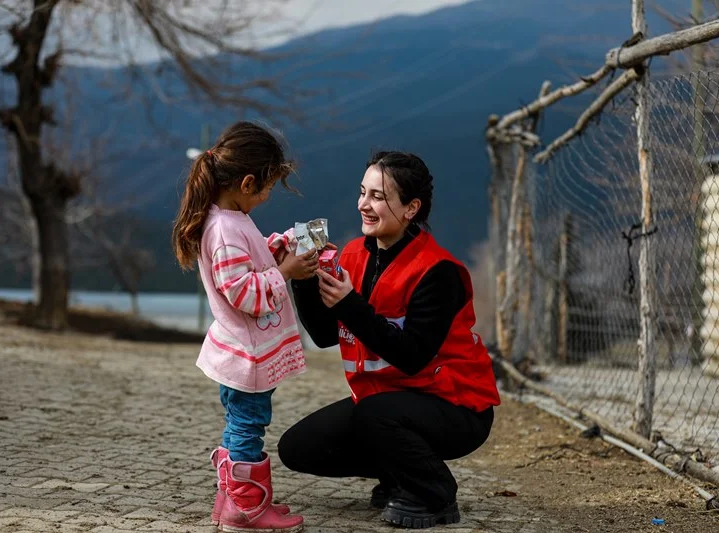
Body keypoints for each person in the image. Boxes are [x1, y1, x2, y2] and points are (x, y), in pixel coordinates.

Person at [278, 151, 500, 529]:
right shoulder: (351, 255)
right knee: (297, 448)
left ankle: (434, 493)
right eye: (363, 192)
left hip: (457, 408)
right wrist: (302, 278)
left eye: (378, 197)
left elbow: (412, 356)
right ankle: (401, 474)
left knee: (374, 413)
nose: (364, 204)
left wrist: (350, 305)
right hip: (385, 405)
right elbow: (324, 334)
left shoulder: (439, 271)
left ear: (411, 208)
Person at [172, 121, 319, 533]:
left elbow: (244, 265)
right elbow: (242, 292)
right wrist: (285, 272)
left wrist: (277, 249)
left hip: (242, 351)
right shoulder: (224, 228)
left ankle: (233, 500)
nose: (268, 196)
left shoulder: (228, 219)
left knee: (242, 424)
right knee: (248, 426)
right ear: (248, 181)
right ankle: (247, 509)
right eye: (269, 187)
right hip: (246, 355)